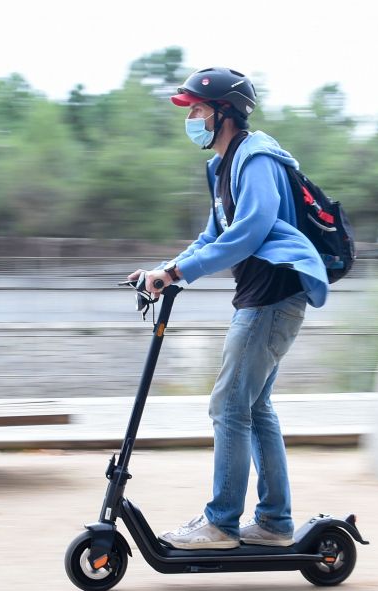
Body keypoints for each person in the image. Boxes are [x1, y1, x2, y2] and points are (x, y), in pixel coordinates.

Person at [128, 67, 329, 550]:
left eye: (197, 109)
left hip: (273, 297)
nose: (191, 117)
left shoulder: (256, 159)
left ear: (225, 113)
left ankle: (221, 523)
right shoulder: (223, 166)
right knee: (254, 407)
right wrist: (163, 268)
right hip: (260, 296)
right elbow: (213, 234)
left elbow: (252, 228)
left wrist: (178, 275)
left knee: (229, 406)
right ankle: (275, 523)